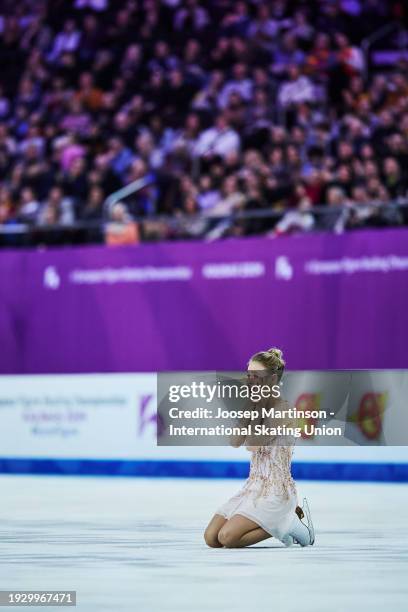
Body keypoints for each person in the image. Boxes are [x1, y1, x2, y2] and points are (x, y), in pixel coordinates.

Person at [204, 347, 315, 549]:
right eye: (248, 375)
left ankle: (288, 522)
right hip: (252, 487)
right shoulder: (253, 404)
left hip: (276, 493)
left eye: (256, 376)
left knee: (228, 538)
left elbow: (252, 445)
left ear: (272, 380)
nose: (250, 381)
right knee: (212, 538)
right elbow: (235, 441)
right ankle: (283, 524)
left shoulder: (284, 410)